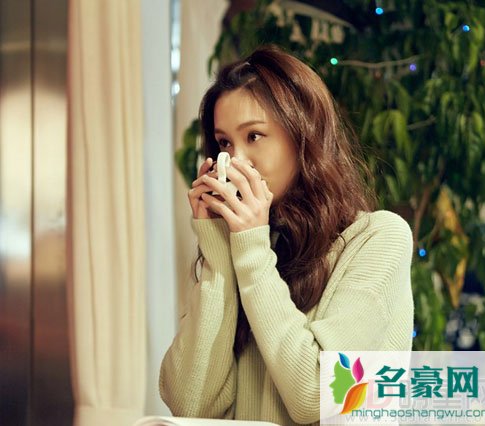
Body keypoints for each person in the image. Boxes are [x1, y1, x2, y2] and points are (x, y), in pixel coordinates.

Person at [159, 45, 414, 425]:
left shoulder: (377, 237)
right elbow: (189, 405)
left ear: (303, 137)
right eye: (224, 143)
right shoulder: (249, 245)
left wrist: (250, 248)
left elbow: (317, 395)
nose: (235, 161)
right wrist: (219, 252)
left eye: (254, 136)